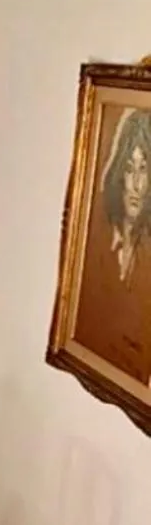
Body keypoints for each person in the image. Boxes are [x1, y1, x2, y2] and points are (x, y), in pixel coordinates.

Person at [72, 104, 151, 384]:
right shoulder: (97, 249)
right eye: (130, 169)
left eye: (145, 170)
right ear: (120, 175)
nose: (138, 185)